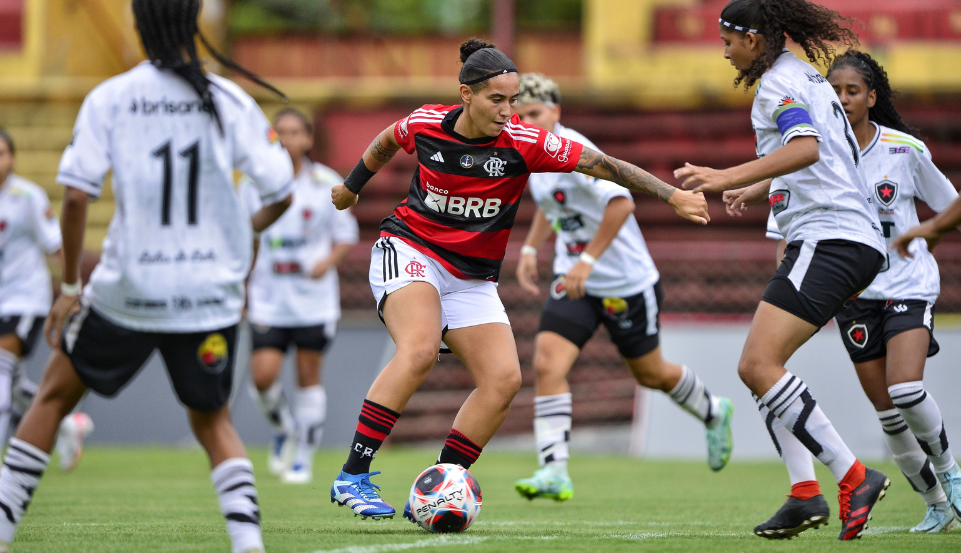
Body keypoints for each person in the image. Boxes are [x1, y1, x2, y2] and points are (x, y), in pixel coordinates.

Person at [0, 0, 293, 553]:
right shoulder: (230, 98)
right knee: (214, 423)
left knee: (52, 399)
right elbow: (281, 192)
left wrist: (67, 286)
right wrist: (235, 238)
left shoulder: (111, 97)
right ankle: (249, 547)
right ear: (193, 24)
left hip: (127, 291)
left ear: (139, 25)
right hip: (206, 295)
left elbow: (74, 195)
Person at [327, 37, 709, 520]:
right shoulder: (426, 123)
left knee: (504, 380)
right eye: (498, 100)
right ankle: (353, 476)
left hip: (471, 278)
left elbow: (606, 166)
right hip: (410, 249)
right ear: (465, 95)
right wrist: (350, 187)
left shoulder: (527, 143)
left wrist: (671, 195)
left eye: (514, 101)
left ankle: (440, 485)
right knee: (420, 349)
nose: (510, 111)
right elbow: (385, 141)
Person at [675, 0, 890, 540]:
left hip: (832, 237)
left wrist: (729, 176)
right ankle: (803, 493)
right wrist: (762, 187)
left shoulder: (777, 84)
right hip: (839, 236)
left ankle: (853, 475)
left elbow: (806, 148)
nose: (724, 53)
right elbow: (821, 155)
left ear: (752, 39)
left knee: (757, 366)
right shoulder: (807, 76)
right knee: (764, 373)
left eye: (728, 42)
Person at [510, 73, 734, 502]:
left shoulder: (575, 150)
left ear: (555, 112)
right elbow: (550, 200)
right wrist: (530, 248)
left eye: (535, 114)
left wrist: (587, 261)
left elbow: (622, 202)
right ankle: (553, 469)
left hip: (624, 282)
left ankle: (712, 409)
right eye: (520, 117)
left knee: (650, 374)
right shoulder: (530, 150)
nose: (528, 122)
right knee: (547, 364)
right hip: (573, 280)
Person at [825, 51, 960, 532]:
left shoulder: (904, 149)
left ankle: (952, 474)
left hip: (907, 284)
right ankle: (937, 506)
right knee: (888, 413)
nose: (842, 99)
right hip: (852, 296)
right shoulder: (817, 153)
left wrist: (924, 234)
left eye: (852, 90)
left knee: (905, 388)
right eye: (835, 91)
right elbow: (787, 227)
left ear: (871, 97)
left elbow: (953, 206)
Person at [241, 108, 359, 484]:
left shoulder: (326, 182)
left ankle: (302, 460)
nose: (288, 139)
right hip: (268, 298)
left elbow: (347, 234)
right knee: (262, 377)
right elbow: (246, 236)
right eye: (281, 132)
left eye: (296, 132)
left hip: (312, 301)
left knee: (308, 379)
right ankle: (283, 428)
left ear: (309, 139)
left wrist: (327, 262)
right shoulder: (253, 183)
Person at [0, 130, 66, 477]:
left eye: (0, 153)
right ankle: (66, 423)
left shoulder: (28, 197)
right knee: (11, 380)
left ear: (12, 158)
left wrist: (70, 290)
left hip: (28, 297)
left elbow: (55, 246)